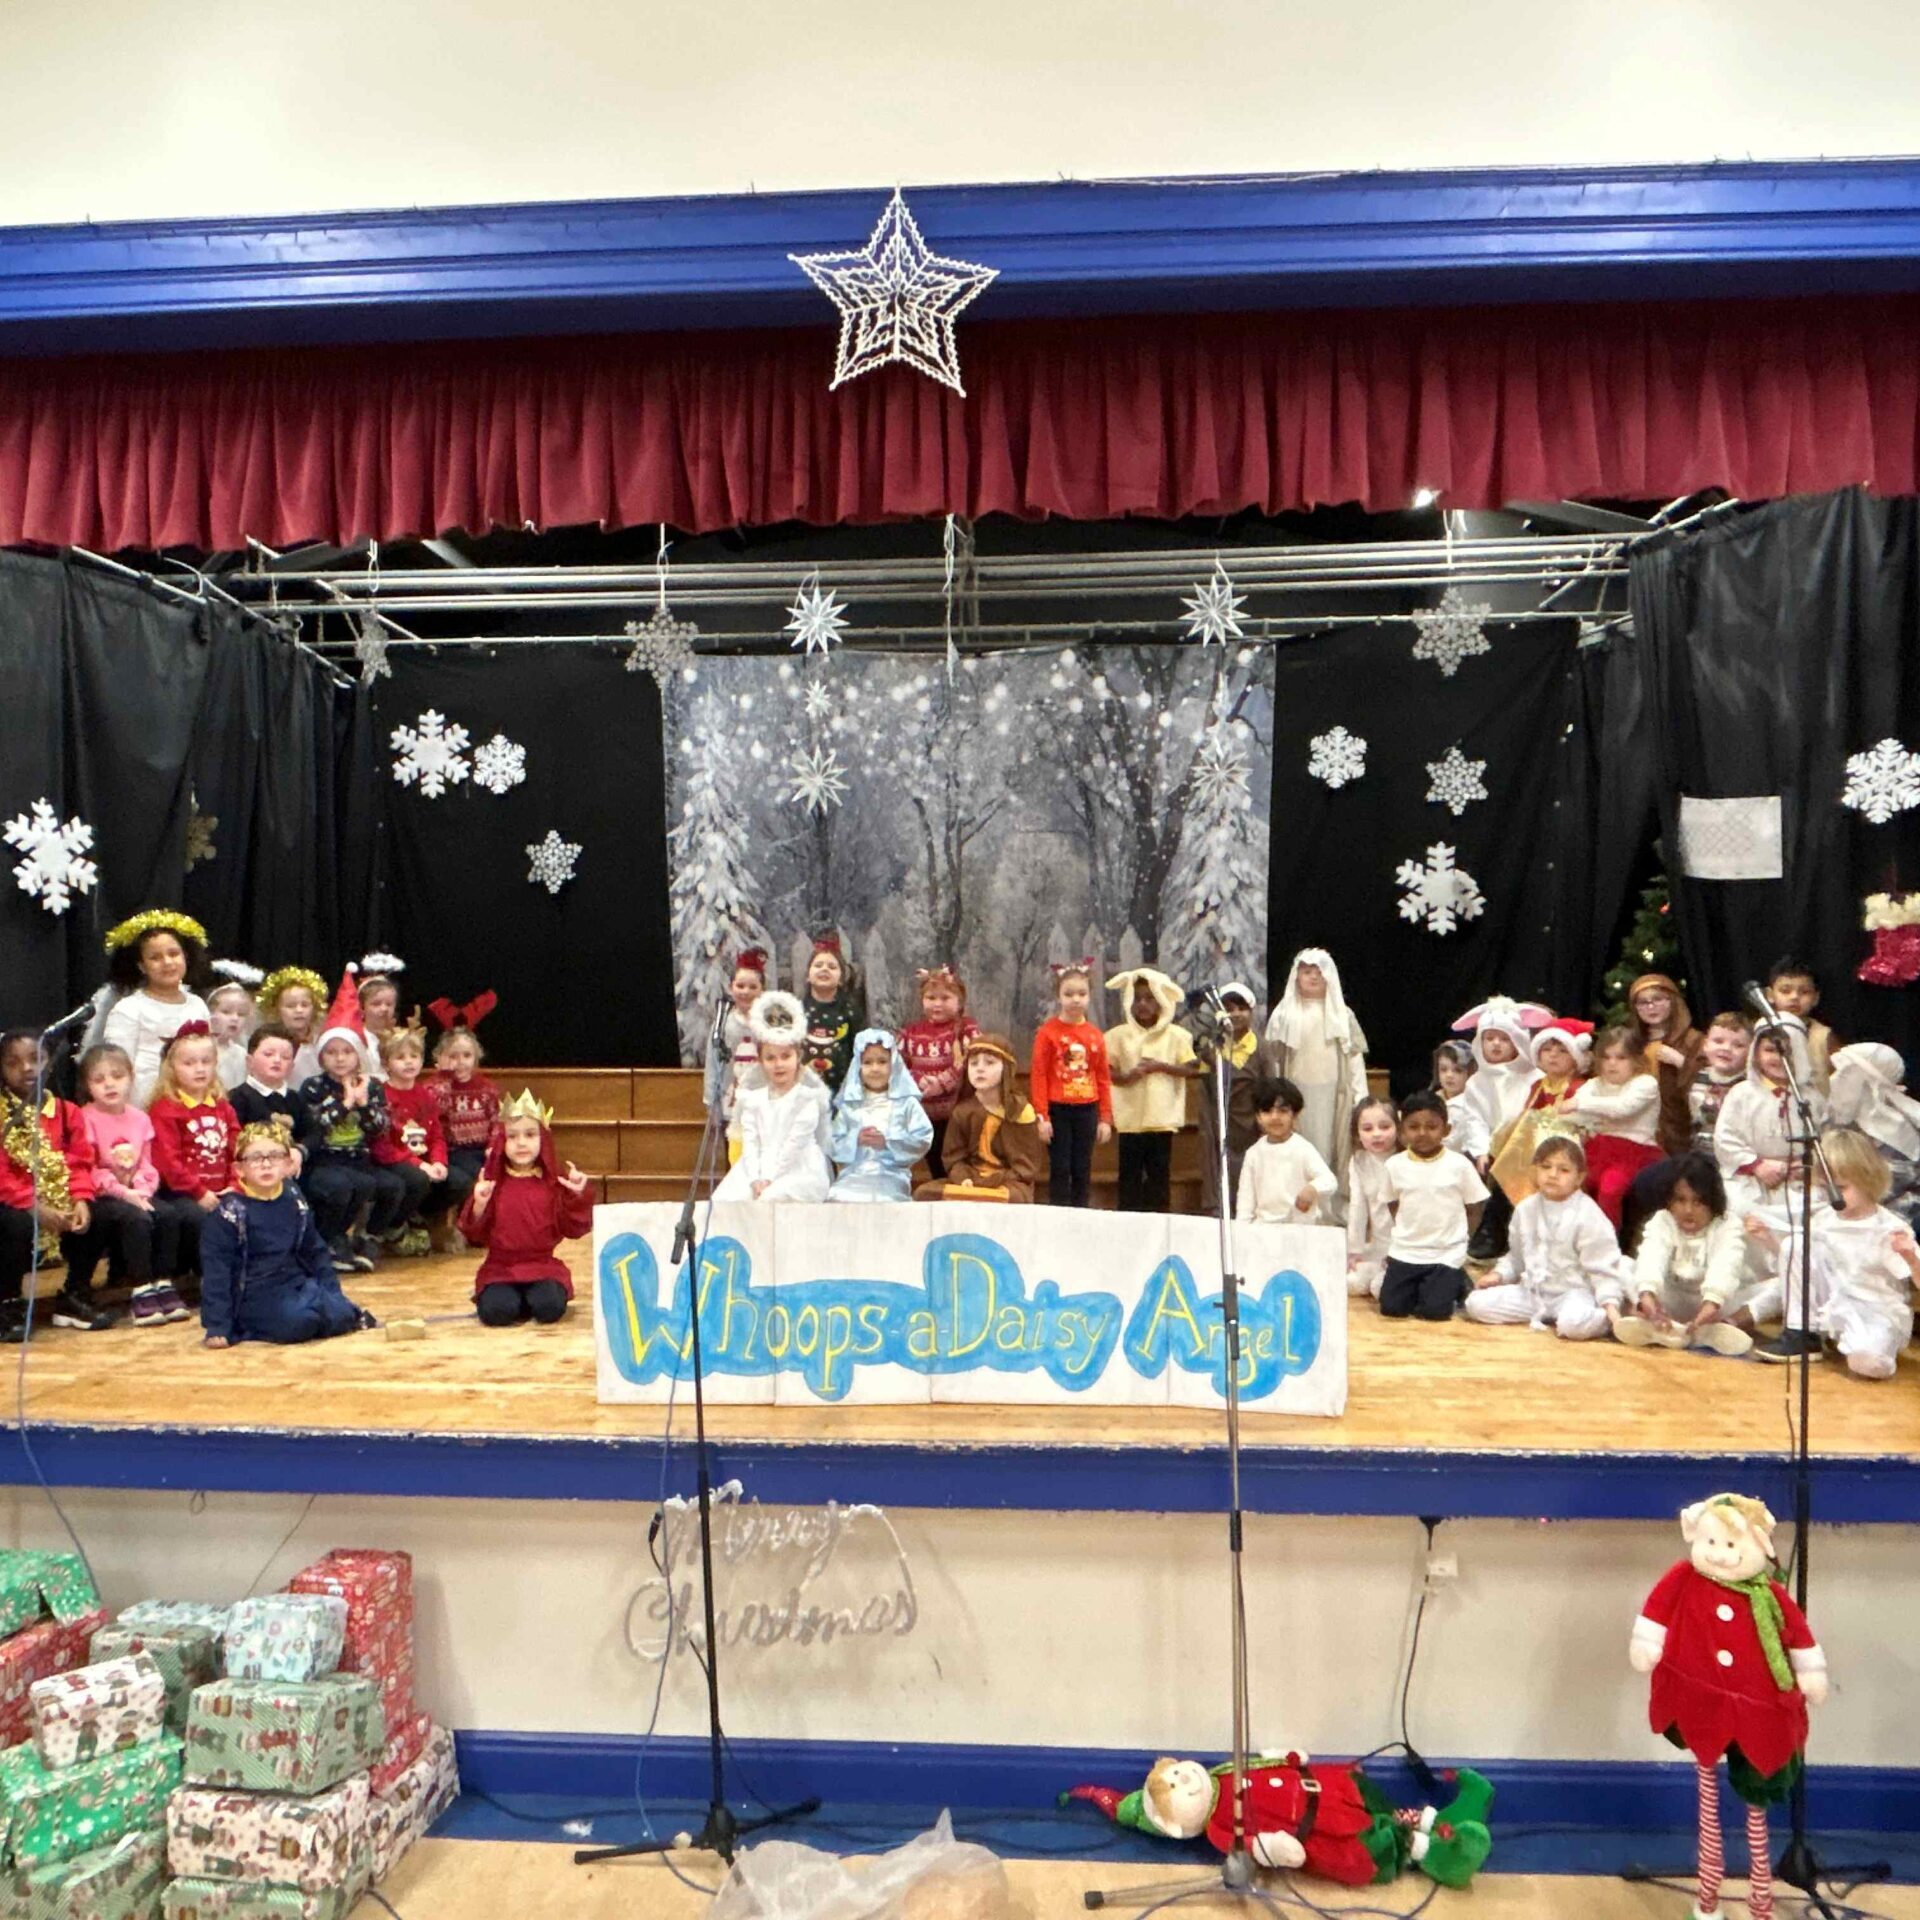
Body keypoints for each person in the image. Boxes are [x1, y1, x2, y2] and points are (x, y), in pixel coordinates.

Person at [1746, 1127, 1919, 1376]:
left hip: (1873, 1312)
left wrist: (1911, 1258)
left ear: (1867, 1179)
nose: (1832, 1196)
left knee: (1868, 1365)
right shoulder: (1824, 1218)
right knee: (1796, 1243)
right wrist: (1769, 1241)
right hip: (1833, 1304)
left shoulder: (1889, 1228)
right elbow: (1800, 1266)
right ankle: (1802, 1335)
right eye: (1826, 1187)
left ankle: (1862, 1345)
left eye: (1841, 1188)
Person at [200, 1125, 371, 1349]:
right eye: (255, 1158)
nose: (266, 1164)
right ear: (239, 1169)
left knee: (342, 1313)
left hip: (296, 1284)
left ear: (288, 1164)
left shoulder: (294, 1199)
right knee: (299, 1323)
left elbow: (315, 1251)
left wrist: (333, 1294)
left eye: (275, 1156)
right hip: (254, 1293)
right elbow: (217, 1271)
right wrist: (217, 1325)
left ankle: (317, 1309)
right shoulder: (229, 1213)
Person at [0, 1031, 110, 1338]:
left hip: (58, 1196)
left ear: (48, 1062)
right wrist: (33, 1206)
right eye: (13, 1063)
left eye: (35, 1059)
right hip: (15, 1201)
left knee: (99, 1214)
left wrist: (80, 1198)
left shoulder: (65, 1111)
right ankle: (8, 1303)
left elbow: (80, 1162)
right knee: (16, 1225)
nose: (27, 1068)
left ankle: (74, 1294)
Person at [1465, 1136, 1624, 1339]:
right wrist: (1499, 1275)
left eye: (1563, 1170)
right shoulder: (1525, 1209)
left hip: (1573, 1293)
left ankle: (1601, 1320)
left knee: (1572, 1325)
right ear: (1535, 1170)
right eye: (1546, 1167)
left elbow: (1602, 1267)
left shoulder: (1588, 1214)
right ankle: (1553, 1316)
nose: (1553, 1175)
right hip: (1532, 1292)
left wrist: (1611, 1307)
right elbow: (1516, 1257)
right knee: (1476, 1304)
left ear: (1579, 1177)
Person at [458, 1091, 595, 1327]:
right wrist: (479, 1204)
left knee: (549, 1308)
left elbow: (573, 1228)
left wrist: (576, 1195)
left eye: (530, 1135)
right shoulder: (492, 1184)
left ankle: (526, 1300)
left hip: (543, 1267)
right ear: (502, 1142)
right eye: (512, 1136)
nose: (521, 1143)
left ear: (543, 1140)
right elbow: (474, 1234)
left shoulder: (553, 1183)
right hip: (500, 1269)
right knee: (497, 1313)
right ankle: (511, 1300)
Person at [297, 971, 402, 1273]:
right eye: (332, 1053)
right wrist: (344, 1104)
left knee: (390, 1185)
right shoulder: (313, 1087)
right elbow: (317, 1126)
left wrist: (364, 1104)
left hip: (358, 1158)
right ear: (322, 1057)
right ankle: (331, 1238)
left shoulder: (370, 1086)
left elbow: (379, 1128)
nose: (340, 1059)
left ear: (358, 1056)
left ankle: (367, 1237)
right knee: (342, 1186)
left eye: (347, 1052)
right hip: (324, 1160)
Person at [1613, 1153, 1762, 1355]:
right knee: (1619, 1264)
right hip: (1668, 1302)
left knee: (1778, 1287)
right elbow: (1651, 1256)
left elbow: (1725, 1266)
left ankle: (1717, 1327)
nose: (1688, 1210)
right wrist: (1648, 1296)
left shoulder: (1728, 1225)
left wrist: (1711, 1304)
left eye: (1698, 1202)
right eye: (1680, 1200)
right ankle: (1661, 1324)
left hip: (1715, 1307)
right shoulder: (1662, 1220)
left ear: (1712, 1202)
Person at [1714, 1018, 1825, 1263]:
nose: (1779, 1058)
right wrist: (1757, 1165)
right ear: (1756, 1053)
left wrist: (1805, 1165)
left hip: (1798, 1177)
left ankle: (1798, 1269)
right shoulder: (1742, 1094)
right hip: (1751, 1178)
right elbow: (1725, 1139)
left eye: (1787, 1052)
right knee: (1739, 1211)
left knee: (1815, 1211)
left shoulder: (1811, 1099)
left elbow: (1824, 1140)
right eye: (1770, 1050)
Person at [145, 1024, 236, 1313]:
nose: (199, 1069)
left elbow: (238, 1148)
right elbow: (167, 1163)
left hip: (222, 1188)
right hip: (181, 1193)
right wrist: (199, 1192)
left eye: (206, 1061)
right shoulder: (165, 1109)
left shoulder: (222, 1106)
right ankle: (207, 1278)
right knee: (200, 1218)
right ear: (172, 1068)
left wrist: (235, 1183)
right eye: (189, 1063)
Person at [69, 1043, 162, 1326]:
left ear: (131, 1078)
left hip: (136, 1191)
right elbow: (90, 1169)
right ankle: (141, 1287)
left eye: (117, 1076)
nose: (109, 1084)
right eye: (99, 1080)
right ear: (87, 1085)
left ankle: (163, 1281)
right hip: (102, 1193)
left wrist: (142, 1190)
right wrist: (124, 1193)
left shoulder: (140, 1118)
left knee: (169, 1214)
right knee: (135, 1218)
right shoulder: (85, 1117)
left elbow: (146, 1164)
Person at [1262, 950, 1369, 1193]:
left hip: (1333, 1095)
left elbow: (1354, 1060)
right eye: (1307, 971)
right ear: (1296, 976)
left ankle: (1328, 1202)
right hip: (1295, 1094)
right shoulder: (1284, 1014)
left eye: (1319, 972)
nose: (1313, 977)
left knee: (1328, 1147)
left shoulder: (1342, 1015)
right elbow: (1274, 1060)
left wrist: (1361, 1098)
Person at [713, 991, 833, 1203]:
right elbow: (751, 1143)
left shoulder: (806, 1099)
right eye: (770, 1058)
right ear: (760, 1061)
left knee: (773, 1197)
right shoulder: (753, 1099)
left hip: (799, 1168)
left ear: (798, 1057)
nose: (778, 1064)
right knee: (728, 1200)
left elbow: (794, 1144)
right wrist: (755, 1178)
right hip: (757, 1167)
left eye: (785, 1056)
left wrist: (769, 1179)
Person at [1380, 1091, 1487, 1322]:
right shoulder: (1394, 1165)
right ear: (1402, 1130)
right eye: (1413, 1127)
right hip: (1406, 1250)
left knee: (1434, 1312)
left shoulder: (1459, 1165)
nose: (1422, 1133)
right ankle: (1431, 1284)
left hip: (1446, 1253)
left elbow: (1474, 1206)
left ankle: (1457, 1279)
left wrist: (1461, 1238)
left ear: (1446, 1129)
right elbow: (1392, 1203)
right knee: (1391, 1308)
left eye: (1431, 1126)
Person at [1106, 967, 1198, 1215]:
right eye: (1137, 998)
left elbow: (1191, 1068)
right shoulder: (1116, 1037)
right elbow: (1106, 1071)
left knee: (1159, 1176)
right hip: (1129, 1120)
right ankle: (1128, 1223)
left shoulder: (1178, 1036)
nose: (1143, 1004)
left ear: (1162, 1001)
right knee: (1129, 1177)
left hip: (1161, 1119)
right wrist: (1127, 1077)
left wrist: (1161, 1067)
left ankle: (1160, 1222)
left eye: (1150, 998)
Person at [99, 910, 214, 1108]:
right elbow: (116, 1068)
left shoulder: (197, 1005)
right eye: (155, 957)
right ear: (142, 966)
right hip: (144, 1107)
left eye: (174, 954)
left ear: (185, 957)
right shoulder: (129, 1009)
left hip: (193, 1106)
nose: (167, 962)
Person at [914, 1034, 1045, 1203]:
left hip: (1007, 1183)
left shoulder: (1020, 1111)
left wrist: (993, 1181)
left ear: (1006, 1069)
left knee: (1015, 1197)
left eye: (989, 1063)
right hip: (970, 1180)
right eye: (974, 1063)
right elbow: (953, 1159)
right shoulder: (962, 1112)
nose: (980, 1069)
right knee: (925, 1193)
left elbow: (1025, 1167)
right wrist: (964, 1178)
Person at [1030, 962, 1113, 1209]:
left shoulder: (1095, 1035)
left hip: (1087, 1109)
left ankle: (1081, 1213)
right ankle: (1059, 1214)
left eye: (1081, 994)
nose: (1075, 999)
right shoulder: (1048, 1033)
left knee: (1082, 1167)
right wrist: (1042, 1116)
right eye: (1068, 994)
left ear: (1089, 995)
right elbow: (1039, 1074)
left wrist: (1105, 1118)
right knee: (1060, 1166)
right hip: (1058, 1110)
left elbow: (1103, 1078)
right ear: (1058, 996)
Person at [1570, 1026, 1662, 1231]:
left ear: (1636, 1060)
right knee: (1574, 1183)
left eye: (1621, 1058)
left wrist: (1579, 1104)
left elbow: (1622, 1108)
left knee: (1610, 1189)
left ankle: (1607, 1240)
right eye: (1606, 1057)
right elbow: (1574, 1114)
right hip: (1597, 1149)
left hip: (1634, 1153)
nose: (1612, 1063)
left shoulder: (1645, 1083)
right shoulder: (1594, 1084)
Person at [828, 1030, 934, 1203]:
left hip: (891, 1174)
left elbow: (922, 1138)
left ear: (894, 1065)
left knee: (882, 1199)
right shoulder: (850, 1105)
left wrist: (888, 1142)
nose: (875, 1068)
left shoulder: (906, 1103)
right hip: (854, 1173)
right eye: (867, 1062)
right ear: (858, 1067)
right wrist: (855, 1139)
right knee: (837, 1196)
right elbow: (832, 1141)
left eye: (882, 1062)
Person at [896, 966, 979, 1183]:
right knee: (936, 1163)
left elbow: (972, 1060)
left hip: (958, 1114)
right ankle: (940, 1192)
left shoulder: (965, 1029)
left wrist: (942, 1083)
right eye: (931, 998)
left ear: (959, 1001)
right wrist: (919, 1081)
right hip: (925, 1115)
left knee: (958, 1162)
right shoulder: (911, 1033)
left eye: (945, 998)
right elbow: (898, 1065)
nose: (937, 1004)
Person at [1824, 1041, 1920, 1230]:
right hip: (1843, 1210)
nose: (1835, 1079)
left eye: (1844, 1073)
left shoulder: (1896, 1130)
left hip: (1893, 1218)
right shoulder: (1836, 1120)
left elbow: (1886, 1188)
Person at [371, 1027, 449, 1254]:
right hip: (391, 1159)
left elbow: (436, 1136)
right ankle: (392, 1228)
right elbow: (383, 1146)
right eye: (400, 1057)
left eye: (414, 1056)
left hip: (420, 1158)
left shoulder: (425, 1096)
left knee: (455, 1180)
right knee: (417, 1179)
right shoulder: (381, 1096)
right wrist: (421, 1165)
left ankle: (416, 1217)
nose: (408, 1062)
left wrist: (439, 1162)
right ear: (386, 1063)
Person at [1194, 983, 1263, 1213]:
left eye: (1241, 1008)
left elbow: (1268, 1089)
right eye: (1229, 1009)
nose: (1236, 1014)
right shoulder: (1212, 1047)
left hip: (1251, 1127)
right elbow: (1205, 1086)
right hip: (1220, 1126)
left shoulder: (1261, 1048)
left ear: (1251, 1012)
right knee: (1221, 1174)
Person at [431, 1021, 501, 1246]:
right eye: (453, 1056)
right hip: (451, 1151)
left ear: (476, 1057)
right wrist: (445, 1078)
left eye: (467, 1056)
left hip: (481, 1149)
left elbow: (496, 1121)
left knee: (494, 1171)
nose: (460, 1062)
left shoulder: (487, 1088)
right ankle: (463, 1226)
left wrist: (493, 1146)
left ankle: (485, 1225)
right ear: (441, 1058)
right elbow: (435, 1113)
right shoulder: (437, 1087)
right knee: (469, 1176)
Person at [1237, 1077, 1338, 1226]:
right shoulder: (1253, 1154)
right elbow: (1245, 1203)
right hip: (1264, 1228)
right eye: (1267, 1111)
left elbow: (1329, 1180)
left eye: (1282, 1111)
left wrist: (1312, 1188)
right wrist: (1242, 1231)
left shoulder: (1302, 1148)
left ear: (1294, 1115)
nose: (1275, 1117)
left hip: (1300, 1227)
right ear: (1258, 1117)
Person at [702, 949, 768, 1167]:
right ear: (731, 988)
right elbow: (713, 1063)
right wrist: (711, 1102)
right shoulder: (723, 1024)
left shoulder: (768, 1024)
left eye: (753, 987)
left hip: (764, 1104)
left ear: (762, 990)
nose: (746, 992)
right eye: (740, 986)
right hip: (731, 1103)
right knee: (735, 1158)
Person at [1627, 973, 1703, 1157]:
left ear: (1673, 1001)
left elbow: (1712, 1081)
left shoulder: (1693, 1040)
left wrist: (1681, 1062)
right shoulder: (1632, 1043)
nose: (1651, 1007)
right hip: (1640, 1129)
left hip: (1680, 1128)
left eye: (1658, 999)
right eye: (1643, 1002)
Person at [228, 1023, 305, 1172]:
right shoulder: (236, 1099)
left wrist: (299, 1151)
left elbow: (312, 1133)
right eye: (268, 1054)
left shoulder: (295, 1098)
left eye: (285, 1057)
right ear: (249, 1061)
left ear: (292, 1067)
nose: (277, 1060)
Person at [1345, 1096, 1399, 1300]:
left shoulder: (1404, 1159)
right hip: (1378, 1247)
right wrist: (1354, 1249)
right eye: (1367, 1129)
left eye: (1385, 1127)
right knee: (1351, 1283)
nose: (1376, 1134)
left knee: (1380, 1289)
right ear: (1357, 1133)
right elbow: (1357, 1206)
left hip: (1405, 1248)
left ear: (1398, 1126)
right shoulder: (1359, 1160)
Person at [1765, 957, 1836, 1096]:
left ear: (1815, 998)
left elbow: (1841, 1081)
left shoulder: (1824, 1037)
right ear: (1770, 995)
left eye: (1804, 992)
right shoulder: (1759, 1031)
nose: (1794, 997)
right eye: (1785, 991)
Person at [799, 936, 864, 1090]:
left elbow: (859, 1051)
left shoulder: (850, 1011)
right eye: (818, 965)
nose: (824, 969)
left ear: (841, 978)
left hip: (842, 1089)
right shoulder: (797, 1010)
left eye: (832, 967)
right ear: (808, 976)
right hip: (803, 1090)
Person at [1689, 1013, 1755, 1151]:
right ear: (1705, 1045)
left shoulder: (1749, 1086)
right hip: (1700, 1151)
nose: (1726, 1048)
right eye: (1718, 1041)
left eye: (1738, 1045)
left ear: (1751, 1052)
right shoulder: (1697, 1077)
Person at [257, 966, 330, 1088]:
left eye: (305, 1005)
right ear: (276, 1009)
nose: (299, 1010)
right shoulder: (267, 1042)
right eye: (290, 1006)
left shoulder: (322, 1042)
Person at [1432, 1040, 1489, 1167]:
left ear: (1470, 1072)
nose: (1449, 1075)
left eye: (1457, 1070)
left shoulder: (1472, 1104)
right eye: (1443, 1069)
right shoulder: (1432, 1099)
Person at [205, 975, 257, 1094]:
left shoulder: (241, 1054)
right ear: (211, 1013)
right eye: (226, 1012)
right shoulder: (202, 1048)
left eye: (241, 1014)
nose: (235, 1018)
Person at [357, 958, 406, 1079]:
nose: (384, 1009)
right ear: (362, 1008)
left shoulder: (400, 1038)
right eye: (376, 1004)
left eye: (389, 1004)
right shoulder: (356, 1038)